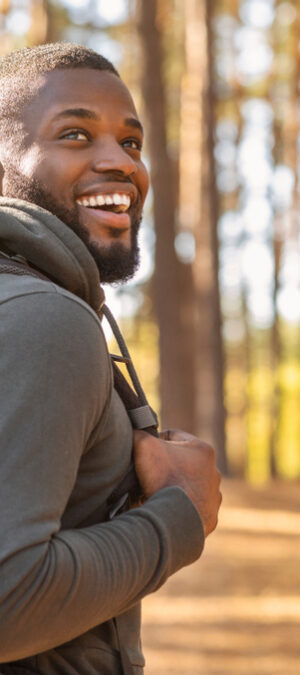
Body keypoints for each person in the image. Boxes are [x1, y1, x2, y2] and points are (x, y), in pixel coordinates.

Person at [0, 43, 222, 675]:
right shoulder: (42, 318)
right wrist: (180, 515)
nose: (119, 163)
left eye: (131, 143)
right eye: (74, 134)